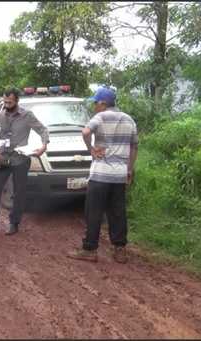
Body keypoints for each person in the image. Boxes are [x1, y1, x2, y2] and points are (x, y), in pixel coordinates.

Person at [68, 87, 139, 264]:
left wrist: (91, 149)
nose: (94, 106)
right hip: (119, 175)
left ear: (103, 103)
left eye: (95, 102)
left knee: (94, 212)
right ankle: (120, 249)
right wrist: (129, 169)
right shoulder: (129, 119)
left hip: (100, 174)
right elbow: (134, 147)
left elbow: (85, 132)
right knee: (117, 212)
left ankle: (89, 250)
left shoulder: (99, 117)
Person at [0, 88, 50, 236]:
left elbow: (42, 129)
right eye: (5, 101)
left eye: (10, 102)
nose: (7, 104)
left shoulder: (27, 115)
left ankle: (14, 223)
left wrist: (44, 145)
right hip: (2, 158)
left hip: (20, 159)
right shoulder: (0, 114)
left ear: (17, 101)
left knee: (18, 193)